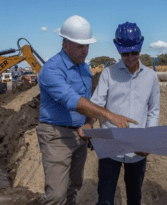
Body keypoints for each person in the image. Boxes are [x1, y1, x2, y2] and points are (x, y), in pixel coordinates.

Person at [37, 15, 138, 205]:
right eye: (79, 46)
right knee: (56, 195)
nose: (85, 50)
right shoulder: (51, 70)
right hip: (56, 135)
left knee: (73, 187)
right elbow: (72, 99)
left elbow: (90, 101)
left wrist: (90, 124)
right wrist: (109, 115)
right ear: (65, 44)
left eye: (87, 46)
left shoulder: (84, 68)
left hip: (80, 134)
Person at [90, 22, 160, 205]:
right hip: (109, 147)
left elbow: (153, 110)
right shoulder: (108, 74)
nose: (130, 58)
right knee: (105, 199)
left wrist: (150, 139)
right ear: (118, 50)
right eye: (125, 54)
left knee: (134, 198)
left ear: (141, 47)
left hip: (138, 148)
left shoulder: (151, 77)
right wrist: (89, 124)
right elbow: (96, 105)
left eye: (134, 53)